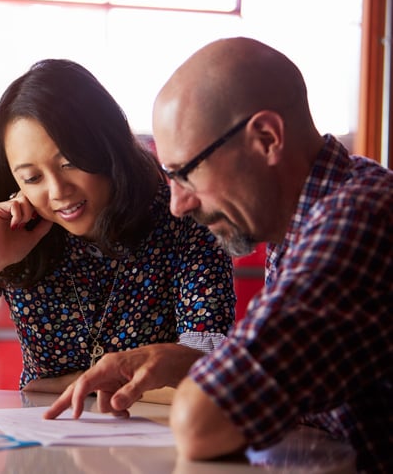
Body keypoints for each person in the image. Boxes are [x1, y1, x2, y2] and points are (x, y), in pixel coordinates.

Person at [44, 38, 392, 473]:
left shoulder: (357, 222)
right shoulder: (310, 215)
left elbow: (202, 422)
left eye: (186, 173)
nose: (177, 205)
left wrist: (209, 384)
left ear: (267, 138)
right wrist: (188, 362)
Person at [0, 58, 236, 395]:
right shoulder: (12, 228)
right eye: (32, 177)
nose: (57, 192)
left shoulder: (183, 217)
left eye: (69, 163)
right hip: (41, 449)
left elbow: (210, 377)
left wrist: (77, 384)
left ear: (106, 147)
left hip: (158, 445)